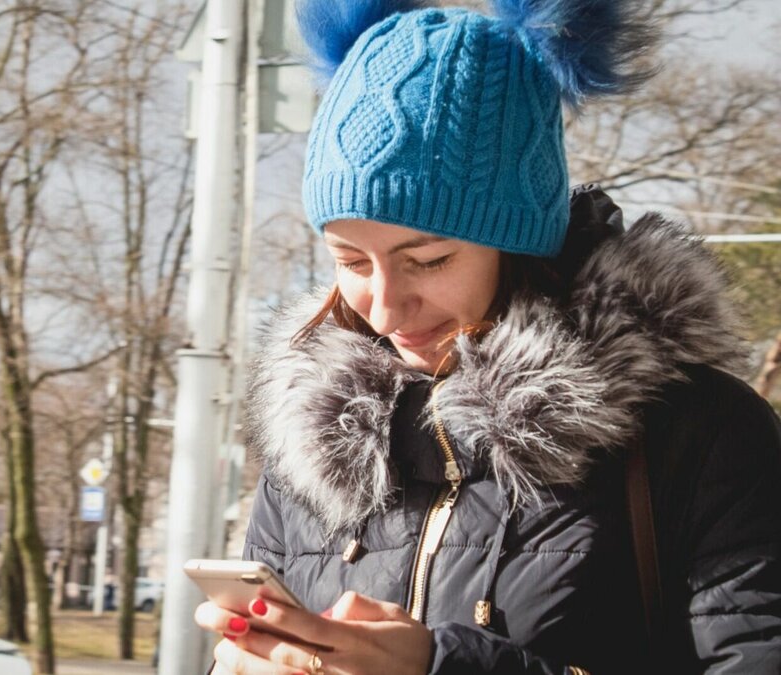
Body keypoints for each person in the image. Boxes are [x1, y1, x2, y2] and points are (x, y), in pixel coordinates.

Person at [193, 0, 781, 673]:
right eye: (351, 261)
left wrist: (440, 666)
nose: (385, 308)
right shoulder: (311, 450)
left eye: (429, 260)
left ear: (521, 244)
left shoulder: (698, 433)